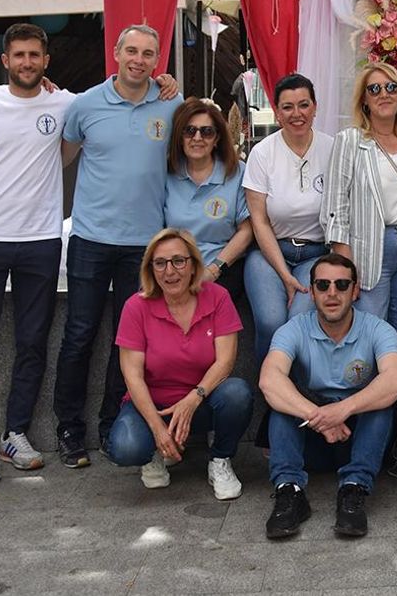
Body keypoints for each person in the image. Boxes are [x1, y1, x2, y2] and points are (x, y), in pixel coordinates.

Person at [54, 24, 182, 468]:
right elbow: (60, 156)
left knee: (129, 344)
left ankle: (113, 424)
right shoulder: (85, 105)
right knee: (79, 335)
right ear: (115, 52)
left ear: (157, 60)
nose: (139, 60)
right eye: (131, 50)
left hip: (145, 248)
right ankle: (69, 428)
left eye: (148, 53)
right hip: (90, 239)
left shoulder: (170, 103)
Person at [0, 23, 74, 484]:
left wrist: (166, 83)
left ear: (46, 61)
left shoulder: (64, 103)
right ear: (6, 60)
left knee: (32, 341)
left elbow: (107, 105)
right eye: (19, 55)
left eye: (34, 55)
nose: (27, 62)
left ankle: (15, 433)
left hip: (41, 237)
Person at [259, 253, 397, 539]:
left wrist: (343, 410)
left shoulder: (377, 329)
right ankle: (290, 492)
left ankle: (353, 490)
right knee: (282, 405)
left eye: (341, 285)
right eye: (323, 285)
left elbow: (396, 379)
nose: (332, 293)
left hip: (360, 440)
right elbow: (269, 380)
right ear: (311, 293)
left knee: (381, 405)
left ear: (355, 290)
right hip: (312, 439)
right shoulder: (294, 329)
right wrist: (320, 417)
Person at [108, 228, 251, 499]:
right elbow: (132, 376)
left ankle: (219, 460)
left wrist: (193, 399)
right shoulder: (135, 306)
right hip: (152, 406)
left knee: (238, 394)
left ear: (193, 264)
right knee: (125, 449)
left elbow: (226, 361)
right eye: (160, 263)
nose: (169, 271)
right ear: (150, 268)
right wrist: (157, 428)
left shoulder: (217, 297)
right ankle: (156, 451)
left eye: (178, 261)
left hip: (202, 401)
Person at [325, 62, 397, 337]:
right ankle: (375, 382)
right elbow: (335, 208)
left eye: (391, 87)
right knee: (370, 330)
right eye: (374, 89)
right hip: (371, 247)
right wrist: (346, 267)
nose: (383, 94)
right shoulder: (349, 140)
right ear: (364, 99)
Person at [243, 73, 335, 361]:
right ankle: (268, 399)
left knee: (298, 323)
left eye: (304, 105)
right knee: (271, 323)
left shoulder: (333, 148)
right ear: (277, 111)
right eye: (287, 107)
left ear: (315, 107)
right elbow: (259, 220)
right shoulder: (262, 153)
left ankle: (296, 400)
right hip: (270, 254)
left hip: (316, 256)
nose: (297, 114)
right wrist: (284, 275)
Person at [163, 97, 252, 308]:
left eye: (206, 131)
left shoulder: (236, 172)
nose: (197, 137)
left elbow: (246, 230)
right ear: (179, 137)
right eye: (189, 131)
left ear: (217, 138)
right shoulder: (166, 174)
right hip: (173, 267)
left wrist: (213, 269)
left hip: (223, 266)